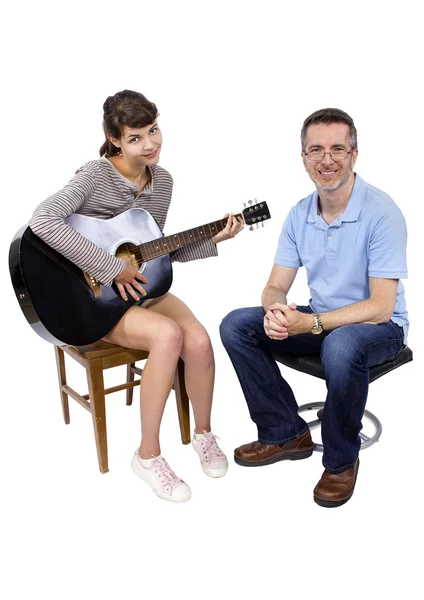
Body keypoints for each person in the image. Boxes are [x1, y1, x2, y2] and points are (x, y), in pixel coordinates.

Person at [29, 89, 244, 503]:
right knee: (167, 336)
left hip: (140, 290)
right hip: (93, 300)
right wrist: (111, 269)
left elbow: (153, 249)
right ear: (115, 140)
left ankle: (203, 433)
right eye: (135, 138)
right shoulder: (94, 175)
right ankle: (147, 456)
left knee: (198, 339)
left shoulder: (162, 181)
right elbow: (43, 221)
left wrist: (215, 238)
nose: (149, 144)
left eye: (154, 131)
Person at [220, 108, 408, 508]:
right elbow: (275, 286)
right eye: (316, 150)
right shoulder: (299, 214)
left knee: (341, 347)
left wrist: (311, 322)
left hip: (380, 327)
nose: (327, 160)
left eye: (338, 149)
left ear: (354, 155)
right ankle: (285, 432)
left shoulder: (381, 212)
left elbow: (380, 305)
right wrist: (275, 311)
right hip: (321, 319)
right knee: (237, 325)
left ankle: (341, 461)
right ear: (303, 158)